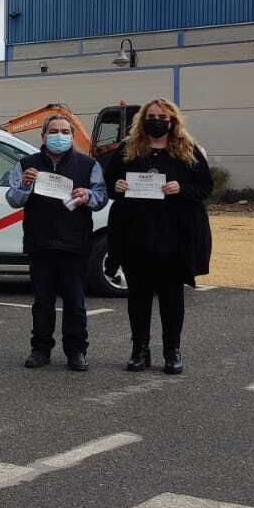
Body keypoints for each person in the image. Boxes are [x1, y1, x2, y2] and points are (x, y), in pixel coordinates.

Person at [103, 99, 213, 375]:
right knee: (138, 297)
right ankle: (140, 350)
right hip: (135, 235)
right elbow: (106, 183)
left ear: (172, 120)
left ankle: (172, 351)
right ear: (142, 120)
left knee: (171, 298)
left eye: (162, 116)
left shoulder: (188, 151)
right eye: (151, 116)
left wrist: (182, 187)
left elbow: (205, 186)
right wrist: (116, 186)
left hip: (174, 237)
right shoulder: (127, 150)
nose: (156, 120)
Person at [5, 114, 109, 371]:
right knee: (42, 302)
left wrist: (87, 195)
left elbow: (102, 196)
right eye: (54, 131)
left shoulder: (88, 164)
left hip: (75, 244)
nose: (60, 136)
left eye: (65, 131)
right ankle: (40, 349)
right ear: (43, 136)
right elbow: (13, 198)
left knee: (75, 303)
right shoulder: (27, 164)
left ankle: (76, 351)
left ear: (73, 136)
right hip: (40, 243)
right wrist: (26, 186)